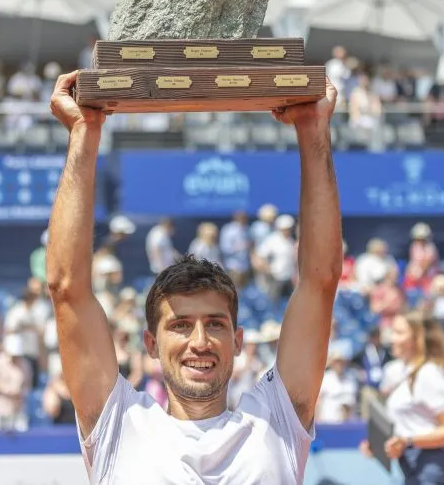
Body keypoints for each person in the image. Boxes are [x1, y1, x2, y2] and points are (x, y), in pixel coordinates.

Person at [45, 71, 342, 484]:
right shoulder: (119, 425)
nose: (199, 341)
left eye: (215, 324)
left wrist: (313, 129)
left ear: (238, 341)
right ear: (151, 343)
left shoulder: (275, 422)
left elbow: (320, 281)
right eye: (180, 325)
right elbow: (66, 288)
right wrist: (83, 132)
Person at [361, 311, 444, 485]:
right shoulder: (404, 372)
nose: (392, 339)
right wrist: (380, 446)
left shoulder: (429, 373)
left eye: (399, 333)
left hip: (431, 470)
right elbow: (410, 427)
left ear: (417, 338)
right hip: (414, 470)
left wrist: (408, 441)